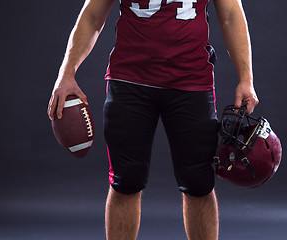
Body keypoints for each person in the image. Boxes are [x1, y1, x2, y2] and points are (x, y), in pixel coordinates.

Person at [47, 0, 259, 239]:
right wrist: (66, 73)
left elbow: (230, 14)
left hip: (191, 81)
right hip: (129, 80)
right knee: (124, 181)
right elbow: (92, 16)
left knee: (199, 183)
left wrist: (246, 79)